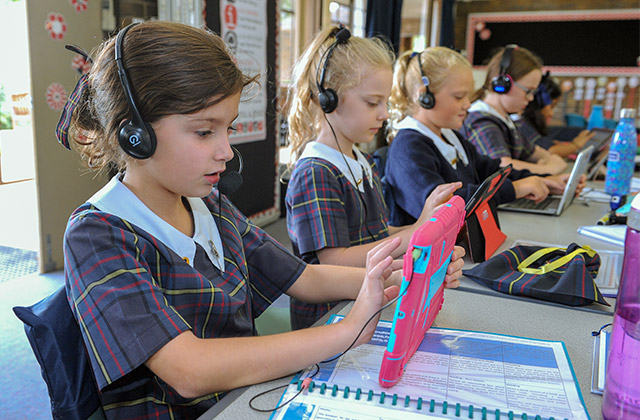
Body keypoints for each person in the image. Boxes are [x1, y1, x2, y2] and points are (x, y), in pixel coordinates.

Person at [57, 21, 464, 419]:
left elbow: (303, 278)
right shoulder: (98, 233)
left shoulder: (209, 205)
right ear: (135, 135)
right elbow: (189, 371)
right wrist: (344, 332)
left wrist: (410, 278)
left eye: (228, 129)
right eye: (203, 132)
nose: (226, 152)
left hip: (247, 397)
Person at [284, 26, 465, 329]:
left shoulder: (362, 161)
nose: (383, 114)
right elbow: (334, 261)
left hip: (373, 304)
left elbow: (375, 233)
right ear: (328, 99)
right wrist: (413, 234)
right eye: (372, 102)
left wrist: (421, 227)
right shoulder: (315, 173)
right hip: (331, 320)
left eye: (385, 102)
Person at [384, 47, 571, 226]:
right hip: (433, 256)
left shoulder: (450, 137)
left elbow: (491, 169)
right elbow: (441, 207)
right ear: (425, 96)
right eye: (459, 97)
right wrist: (515, 189)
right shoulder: (408, 147)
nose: (467, 104)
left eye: (468, 96)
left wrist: (545, 179)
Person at [461, 45, 568, 175]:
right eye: (528, 90)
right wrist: (548, 169)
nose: (531, 98)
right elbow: (502, 166)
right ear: (503, 84)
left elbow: (542, 154)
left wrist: (549, 163)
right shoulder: (481, 121)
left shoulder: (506, 121)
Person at [516, 72, 594, 158]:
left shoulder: (527, 124)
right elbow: (550, 151)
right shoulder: (522, 125)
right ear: (539, 103)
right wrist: (576, 145)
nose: (551, 113)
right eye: (552, 106)